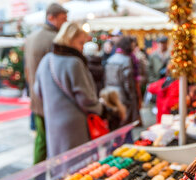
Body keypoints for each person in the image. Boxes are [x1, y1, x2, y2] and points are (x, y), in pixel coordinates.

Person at [34, 22, 125, 158]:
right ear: (69, 39)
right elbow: (86, 99)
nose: (82, 48)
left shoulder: (46, 60)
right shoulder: (74, 62)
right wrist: (103, 111)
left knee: (59, 165)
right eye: (80, 43)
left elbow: (37, 91)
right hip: (74, 125)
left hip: (52, 122)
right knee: (77, 165)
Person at [24, 3, 68, 164]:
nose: (65, 22)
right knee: (56, 145)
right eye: (63, 19)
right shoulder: (56, 39)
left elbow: (27, 70)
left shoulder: (32, 37)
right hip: (51, 100)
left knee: (41, 142)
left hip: (37, 97)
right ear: (51, 18)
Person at [104, 36, 139, 142]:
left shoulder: (110, 59)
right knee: (126, 126)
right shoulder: (126, 60)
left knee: (115, 125)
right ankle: (127, 146)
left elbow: (106, 79)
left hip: (111, 95)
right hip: (123, 96)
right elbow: (128, 83)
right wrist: (132, 98)